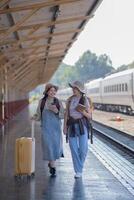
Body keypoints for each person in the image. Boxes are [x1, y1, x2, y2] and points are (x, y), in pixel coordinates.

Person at [33, 83, 64, 177]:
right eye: (51, 90)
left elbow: (62, 115)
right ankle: (53, 165)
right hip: (46, 128)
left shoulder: (58, 102)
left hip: (56, 129)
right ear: (47, 91)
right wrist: (33, 117)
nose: (53, 92)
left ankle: (51, 164)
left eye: (54, 91)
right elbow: (38, 115)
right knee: (48, 146)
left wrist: (56, 111)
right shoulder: (42, 102)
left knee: (55, 146)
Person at [63, 81, 91, 178]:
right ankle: (78, 171)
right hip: (71, 126)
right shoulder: (69, 100)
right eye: (73, 88)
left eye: (75, 88)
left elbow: (89, 116)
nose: (73, 90)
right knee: (74, 149)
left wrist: (82, 112)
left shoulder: (85, 100)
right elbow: (66, 114)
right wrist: (64, 127)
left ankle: (79, 167)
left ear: (79, 90)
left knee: (83, 149)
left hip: (82, 125)